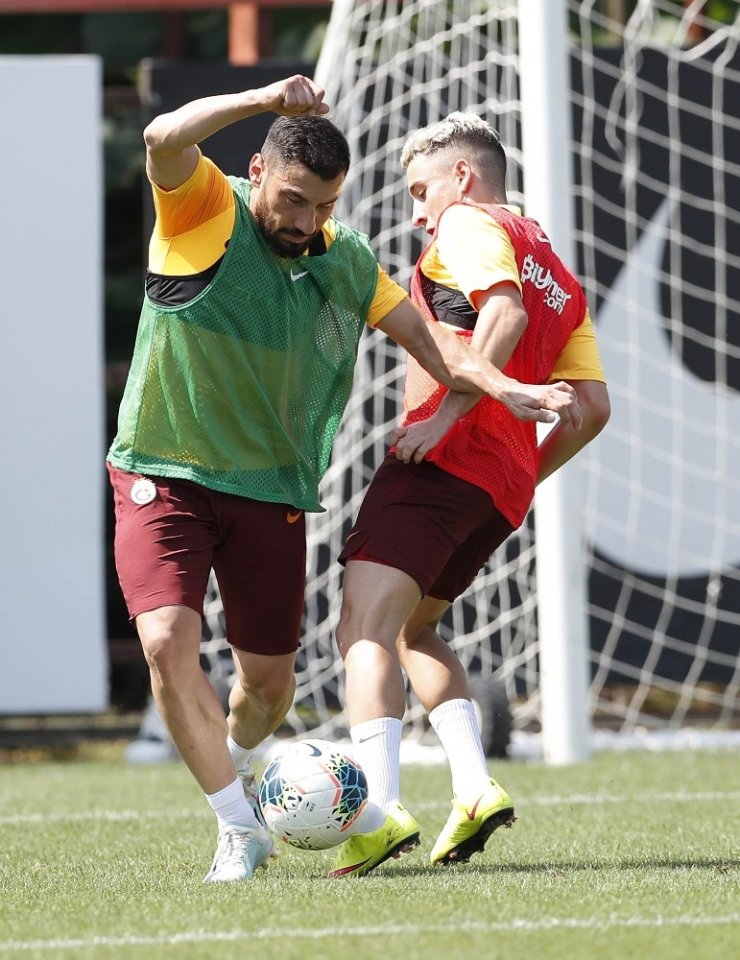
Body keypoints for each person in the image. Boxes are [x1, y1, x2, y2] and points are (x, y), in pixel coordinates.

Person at [106, 77, 581, 884]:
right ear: (256, 170)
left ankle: (239, 775)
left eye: (323, 206)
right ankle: (238, 825)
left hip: (271, 492)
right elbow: (160, 136)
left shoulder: (346, 256)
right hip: (163, 472)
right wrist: (266, 95)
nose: (304, 221)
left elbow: (430, 344)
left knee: (268, 688)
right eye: (294, 200)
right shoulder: (203, 208)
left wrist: (504, 395)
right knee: (166, 642)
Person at [328, 113, 610, 877]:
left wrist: (450, 419)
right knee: (414, 634)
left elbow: (503, 314)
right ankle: (474, 786)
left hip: (443, 458)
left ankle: (375, 813)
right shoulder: (553, 260)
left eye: (421, 190)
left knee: (361, 624)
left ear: (462, 177)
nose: (418, 212)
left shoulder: (466, 223)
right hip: (497, 486)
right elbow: (592, 411)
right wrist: (517, 480)